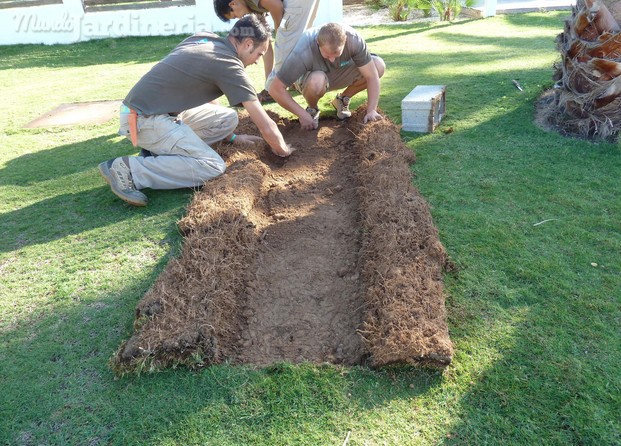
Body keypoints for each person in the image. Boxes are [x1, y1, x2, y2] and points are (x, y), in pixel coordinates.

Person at [99, 14, 293, 207]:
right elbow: (265, 125)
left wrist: (231, 137)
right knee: (212, 167)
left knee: (227, 119)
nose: (259, 61)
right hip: (144, 119)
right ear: (248, 44)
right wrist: (284, 152)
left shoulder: (205, 38)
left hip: (153, 111)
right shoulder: (229, 65)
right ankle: (128, 169)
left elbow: (204, 88)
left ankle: (158, 152)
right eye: (260, 53)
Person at [267, 22, 385, 131]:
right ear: (318, 43)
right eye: (328, 55)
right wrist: (302, 114)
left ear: (345, 42)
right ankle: (312, 109)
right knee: (317, 80)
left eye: (337, 54)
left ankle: (342, 100)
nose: (332, 60)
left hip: (338, 72)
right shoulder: (303, 51)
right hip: (311, 78)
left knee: (378, 66)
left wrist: (371, 110)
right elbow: (275, 89)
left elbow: (372, 76)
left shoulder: (355, 40)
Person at [213, 0, 320, 102]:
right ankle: (286, 82)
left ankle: (274, 89)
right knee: (302, 39)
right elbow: (265, 45)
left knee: (284, 42)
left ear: (232, 4)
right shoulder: (252, 7)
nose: (239, 18)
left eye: (235, 15)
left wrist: (279, 29)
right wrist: (268, 79)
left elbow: (277, 6)